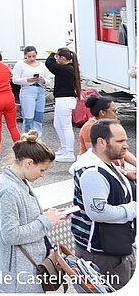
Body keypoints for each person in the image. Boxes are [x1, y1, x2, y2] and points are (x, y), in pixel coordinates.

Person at [0, 131, 68, 293]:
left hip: (23, 269)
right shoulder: (10, 190)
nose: (44, 175)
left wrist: (48, 217)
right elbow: (10, 234)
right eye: (42, 170)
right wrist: (45, 221)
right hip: (19, 276)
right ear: (29, 163)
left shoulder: (17, 181)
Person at [69, 119, 137, 290]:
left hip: (115, 248)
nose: (126, 146)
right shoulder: (93, 172)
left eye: (126, 141)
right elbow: (98, 213)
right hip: (103, 255)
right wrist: (133, 209)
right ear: (101, 142)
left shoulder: (106, 164)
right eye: (120, 141)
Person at [80, 96, 138, 169]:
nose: (116, 113)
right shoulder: (89, 128)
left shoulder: (112, 124)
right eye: (114, 110)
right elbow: (97, 156)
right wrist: (124, 173)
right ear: (103, 112)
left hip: (118, 166)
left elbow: (124, 151)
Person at [46, 47, 82, 162]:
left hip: (65, 100)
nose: (56, 59)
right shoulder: (69, 68)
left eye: (58, 57)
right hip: (63, 100)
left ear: (62, 58)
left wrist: (51, 53)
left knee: (66, 126)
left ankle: (69, 152)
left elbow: (49, 63)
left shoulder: (65, 69)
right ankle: (64, 147)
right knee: (58, 124)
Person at [11, 46, 47, 136]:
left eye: (34, 56)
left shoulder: (42, 65)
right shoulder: (20, 64)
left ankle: (38, 138)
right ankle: (27, 137)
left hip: (40, 89)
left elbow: (48, 79)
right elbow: (15, 80)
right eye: (29, 56)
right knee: (29, 117)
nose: (32, 58)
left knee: (39, 116)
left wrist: (44, 80)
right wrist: (27, 80)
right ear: (25, 56)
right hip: (27, 90)